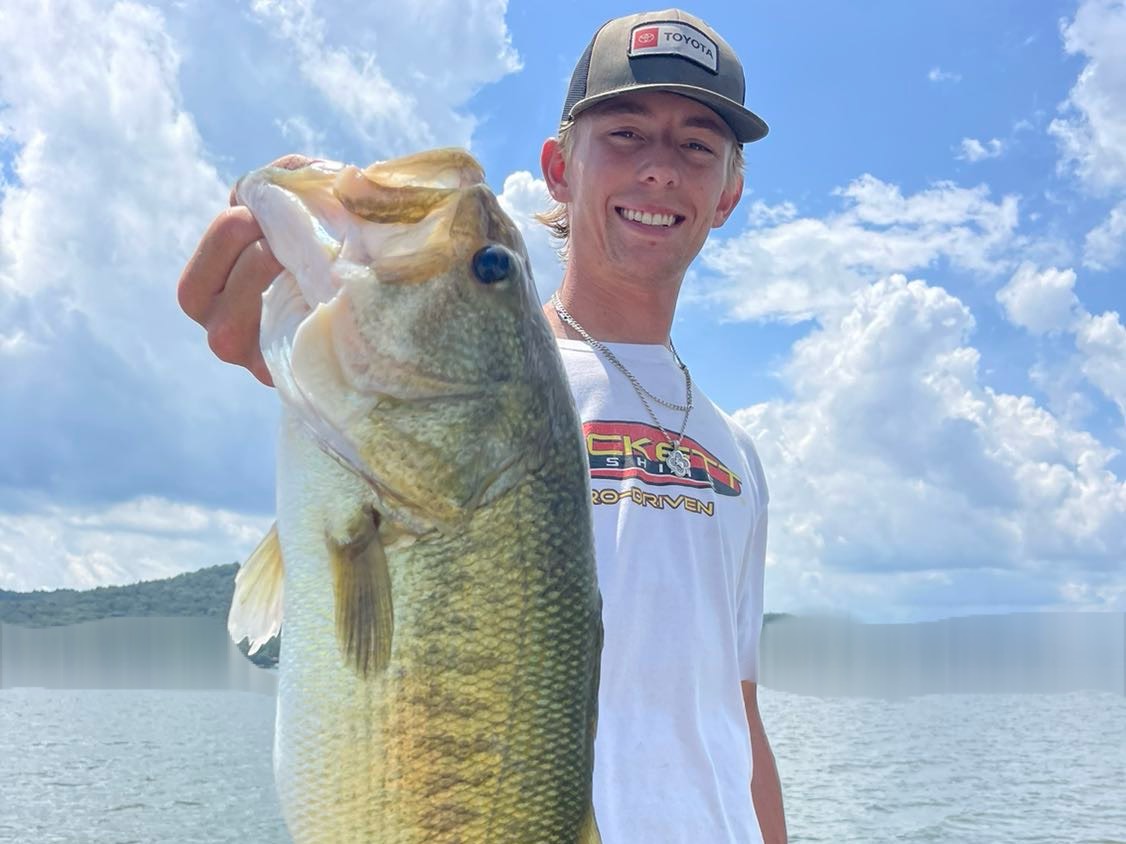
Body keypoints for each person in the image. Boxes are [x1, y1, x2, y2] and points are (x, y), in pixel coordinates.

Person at [178, 8, 787, 843]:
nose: (659, 170)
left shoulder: (738, 454)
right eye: (624, 133)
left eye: (695, 146)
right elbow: (354, 428)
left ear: (727, 194)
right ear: (557, 168)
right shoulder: (497, 384)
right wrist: (278, 341)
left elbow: (737, 715)